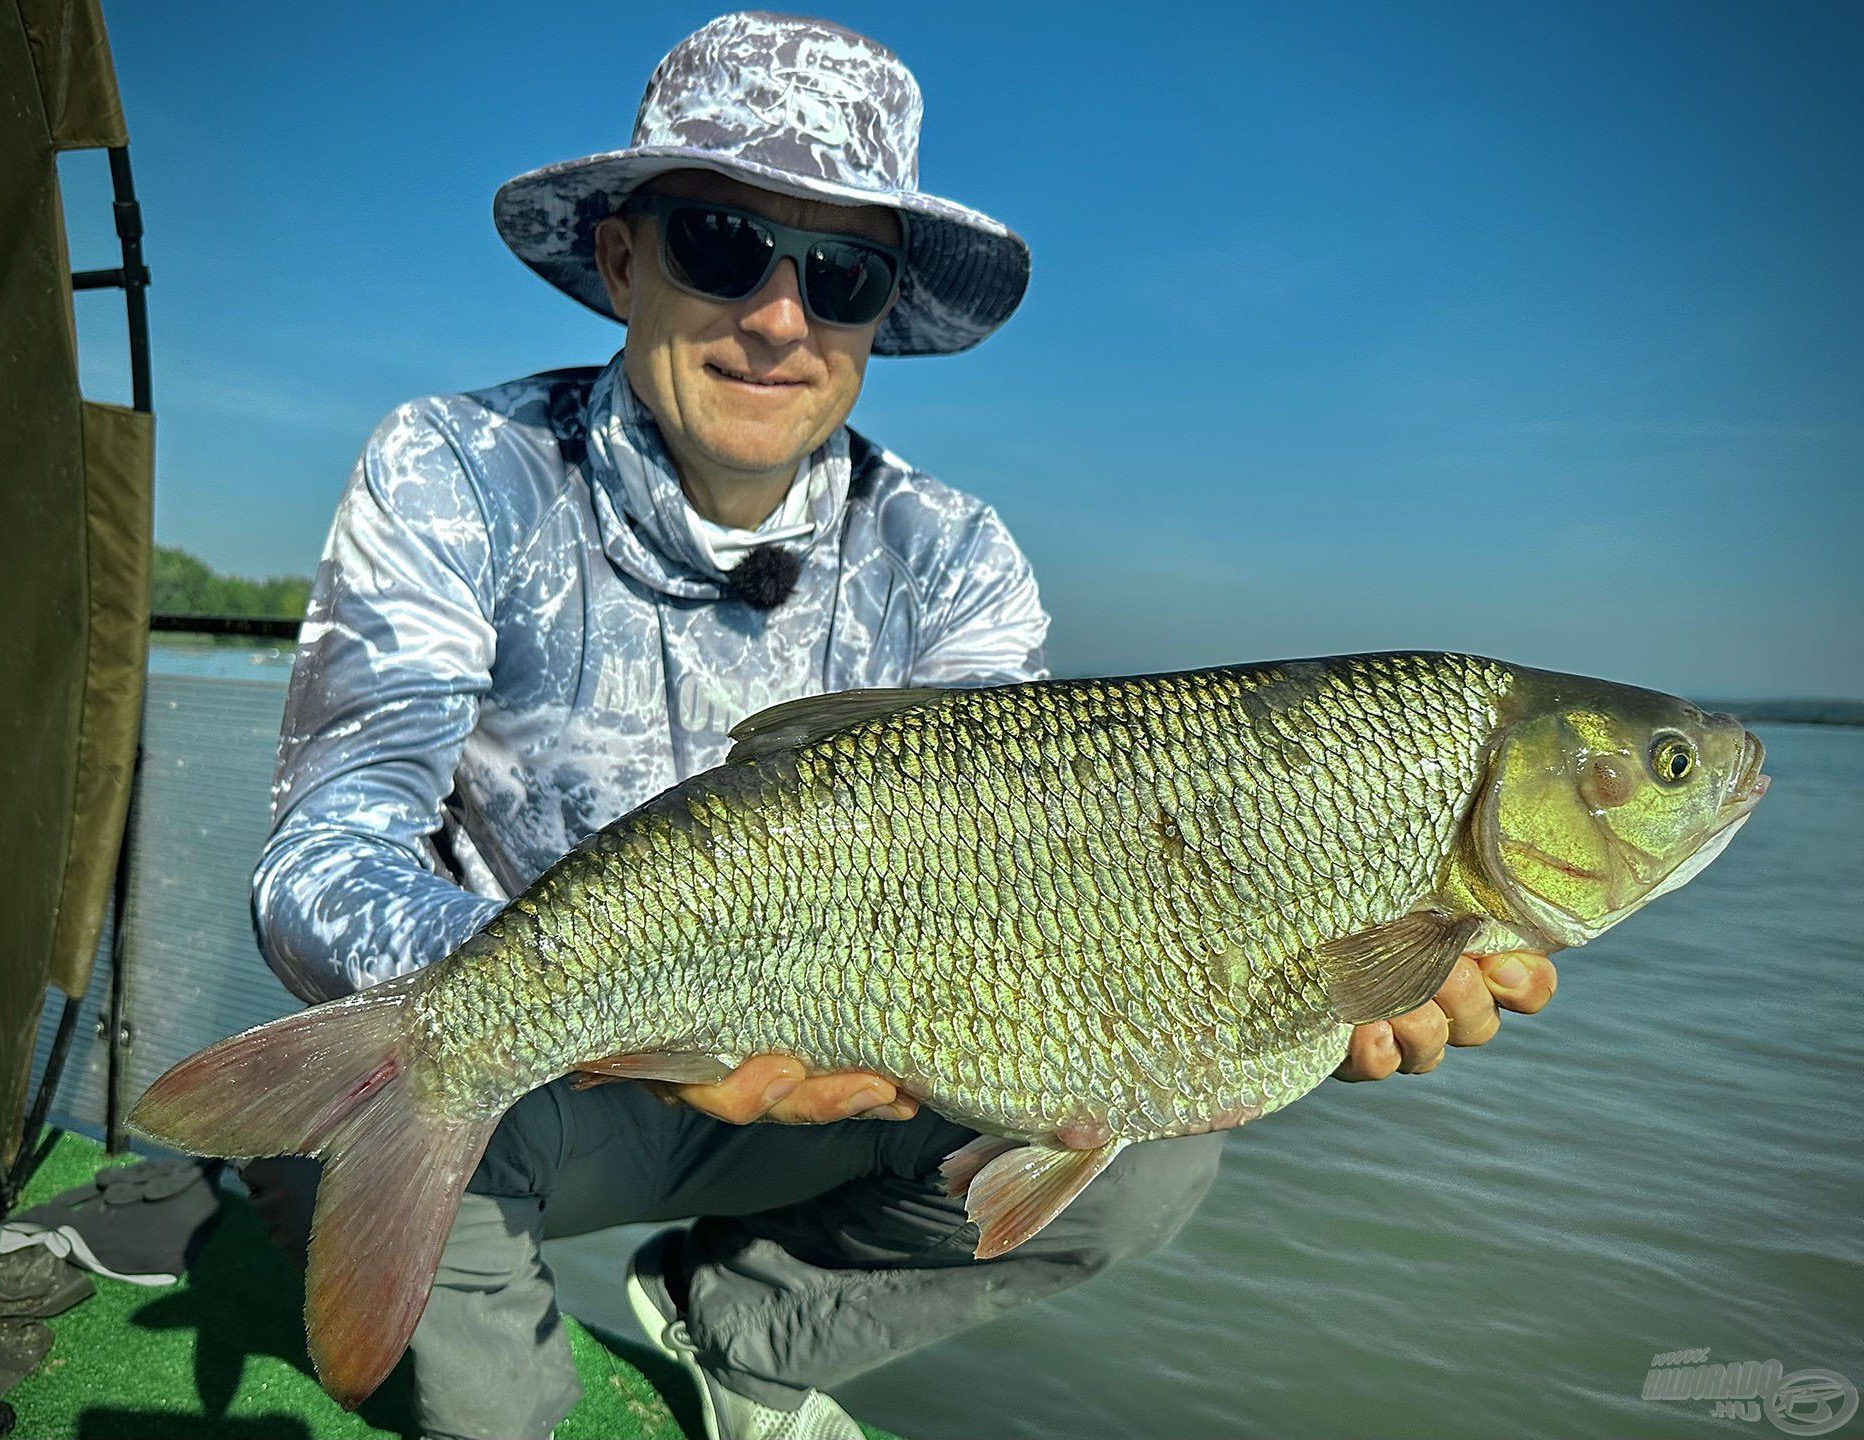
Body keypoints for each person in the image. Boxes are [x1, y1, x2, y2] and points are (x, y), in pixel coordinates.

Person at [247, 14, 1561, 1440]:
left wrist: (1313, 984)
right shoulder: (456, 467)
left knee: (1159, 1149)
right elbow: (327, 850)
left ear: (881, 310)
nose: (778, 316)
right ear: (621, 259)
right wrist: (545, 995)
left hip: (866, 1070)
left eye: (842, 273)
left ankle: (734, 1333)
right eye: (718, 244)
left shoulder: (958, 553)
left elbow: (1040, 888)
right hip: (556, 1085)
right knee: (356, 1123)